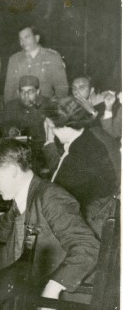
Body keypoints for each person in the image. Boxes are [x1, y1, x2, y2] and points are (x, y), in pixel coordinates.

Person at [0, 138, 99, 310]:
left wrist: (54, 286)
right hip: (31, 295)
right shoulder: (25, 197)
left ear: (12, 171)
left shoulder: (50, 197)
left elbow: (88, 247)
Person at [43, 97, 119, 237]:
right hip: (98, 210)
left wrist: (49, 142)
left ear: (65, 126)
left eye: (52, 128)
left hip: (90, 223)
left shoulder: (78, 156)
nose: (52, 132)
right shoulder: (87, 137)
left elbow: (57, 194)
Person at [3, 26, 68, 103]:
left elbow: (61, 87)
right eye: (21, 39)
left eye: (26, 37)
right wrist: (8, 108)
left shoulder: (52, 57)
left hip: (43, 107)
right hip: (19, 107)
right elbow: (9, 89)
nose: (23, 42)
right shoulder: (14, 59)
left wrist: (55, 107)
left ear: (37, 38)